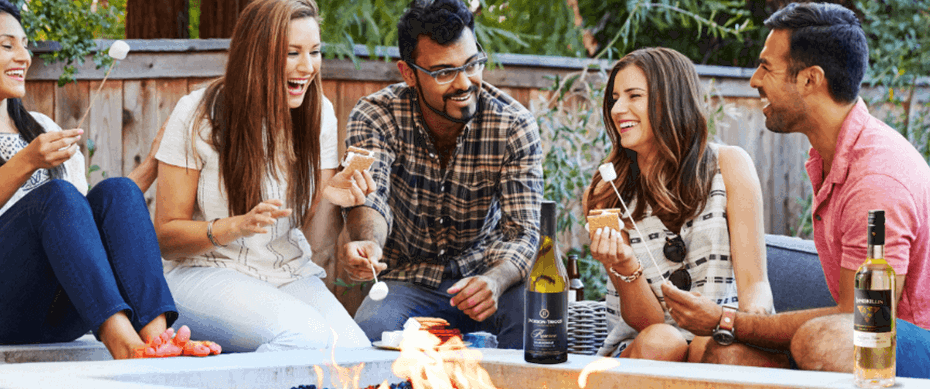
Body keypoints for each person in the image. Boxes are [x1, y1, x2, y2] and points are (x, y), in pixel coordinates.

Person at [660, 3, 930, 384]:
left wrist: (727, 319)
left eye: (766, 67)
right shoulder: (830, 159)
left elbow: (860, 316)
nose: (754, 81)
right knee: (723, 355)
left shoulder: (876, 176)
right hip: (875, 345)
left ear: (810, 79)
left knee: (826, 339)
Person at [0, 0, 215, 359]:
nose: (24, 56)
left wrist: (153, 161)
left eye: (25, 45)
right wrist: (26, 161)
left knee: (117, 191)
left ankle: (158, 337)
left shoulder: (43, 128)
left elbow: (88, 226)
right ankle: (125, 343)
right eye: (7, 45)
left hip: (64, 307)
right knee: (56, 195)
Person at [153, 0, 374, 353]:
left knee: (355, 354)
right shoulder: (198, 113)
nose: (307, 67)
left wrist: (333, 198)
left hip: (286, 273)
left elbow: (316, 245)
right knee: (305, 338)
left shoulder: (319, 116)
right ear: (256, 55)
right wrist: (234, 227)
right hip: (201, 273)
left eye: (314, 52)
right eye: (292, 53)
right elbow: (166, 236)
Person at [340, 0, 544, 349]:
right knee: (367, 335)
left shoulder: (513, 124)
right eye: (444, 72)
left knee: (534, 320)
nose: (464, 83)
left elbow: (523, 232)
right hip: (408, 280)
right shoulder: (375, 115)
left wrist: (495, 281)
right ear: (408, 74)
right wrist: (370, 243)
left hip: (489, 275)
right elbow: (372, 197)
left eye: (472, 64)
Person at [584, 47, 785, 367]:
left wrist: (750, 324)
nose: (617, 108)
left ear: (672, 100)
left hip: (720, 331)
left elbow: (755, 285)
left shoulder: (729, 166)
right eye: (614, 98)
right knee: (664, 342)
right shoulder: (607, 192)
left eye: (634, 95)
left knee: (718, 347)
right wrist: (624, 267)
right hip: (645, 345)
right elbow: (648, 323)